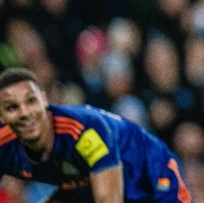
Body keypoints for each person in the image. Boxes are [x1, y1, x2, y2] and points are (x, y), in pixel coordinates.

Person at [0, 67, 192, 203]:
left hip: (154, 177)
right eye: (12, 107)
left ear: (44, 100)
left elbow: (109, 199)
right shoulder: (4, 145)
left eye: (31, 101)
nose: (25, 113)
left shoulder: (83, 131)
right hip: (88, 186)